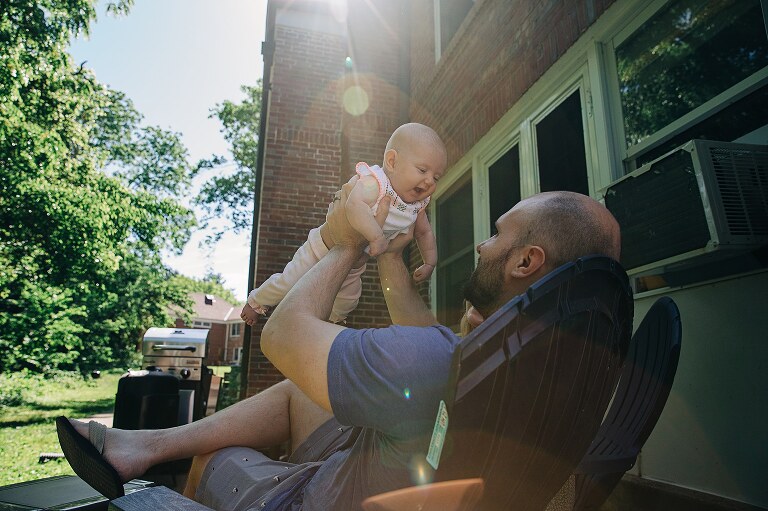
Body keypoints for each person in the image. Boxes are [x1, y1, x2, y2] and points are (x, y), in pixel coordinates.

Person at [56, 184, 621, 510]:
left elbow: (281, 335)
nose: (481, 242)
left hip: (316, 502)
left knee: (203, 466)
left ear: (527, 262)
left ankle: (160, 467)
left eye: (498, 233)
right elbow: (427, 344)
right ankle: (146, 445)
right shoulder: (531, 369)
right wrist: (391, 256)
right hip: (400, 479)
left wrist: (346, 239)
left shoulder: (433, 366)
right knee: (304, 393)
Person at [240, 122, 447, 325]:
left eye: (436, 177)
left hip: (355, 263)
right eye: (422, 170)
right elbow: (353, 205)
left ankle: (333, 322)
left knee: (348, 301)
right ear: (392, 161)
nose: (430, 181)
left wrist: (430, 262)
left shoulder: (416, 205)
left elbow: (424, 234)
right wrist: (376, 237)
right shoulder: (376, 183)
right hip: (321, 248)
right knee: (288, 282)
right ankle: (256, 301)